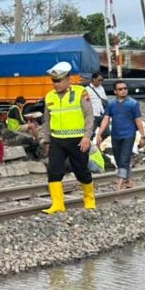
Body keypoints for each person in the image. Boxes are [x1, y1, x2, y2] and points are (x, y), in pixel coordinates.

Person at [39, 61, 97, 214]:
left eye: (58, 81)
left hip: (78, 140)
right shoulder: (49, 96)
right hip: (57, 140)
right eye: (53, 81)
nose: (55, 84)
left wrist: (87, 137)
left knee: (82, 172)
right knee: (53, 171)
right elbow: (47, 120)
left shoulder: (80, 92)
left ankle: (89, 200)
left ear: (68, 79)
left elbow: (89, 116)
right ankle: (58, 204)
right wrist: (46, 140)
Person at [96, 80, 145, 190]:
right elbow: (106, 118)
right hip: (115, 135)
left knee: (124, 158)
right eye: (120, 89)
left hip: (129, 135)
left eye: (125, 88)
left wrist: (143, 136)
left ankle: (120, 182)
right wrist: (99, 133)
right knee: (119, 159)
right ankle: (129, 181)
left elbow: (138, 120)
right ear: (115, 91)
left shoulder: (133, 104)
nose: (123, 91)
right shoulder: (111, 104)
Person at [85, 72, 108, 137]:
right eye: (99, 80)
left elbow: (104, 99)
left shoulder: (101, 88)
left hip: (102, 114)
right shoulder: (87, 89)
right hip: (93, 115)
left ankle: (99, 145)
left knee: (106, 133)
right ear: (93, 79)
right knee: (90, 135)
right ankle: (89, 146)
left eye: (102, 80)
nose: (100, 82)